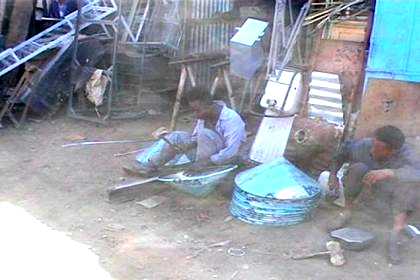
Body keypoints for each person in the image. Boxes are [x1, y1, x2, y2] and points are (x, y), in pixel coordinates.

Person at [326, 125, 420, 264]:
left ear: (393, 151)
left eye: (378, 147)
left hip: (392, 193)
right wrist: (333, 174)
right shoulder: (364, 145)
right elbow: (341, 153)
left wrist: (390, 172)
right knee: (357, 168)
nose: (372, 149)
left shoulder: (407, 153)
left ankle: (396, 232)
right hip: (368, 187)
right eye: (373, 144)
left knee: (409, 184)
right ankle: (347, 212)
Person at [123, 87, 247, 176]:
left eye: (198, 111)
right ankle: (150, 166)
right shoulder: (205, 116)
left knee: (205, 133)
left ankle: (202, 170)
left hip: (223, 158)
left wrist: (204, 163)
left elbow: (231, 151)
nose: (196, 115)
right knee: (176, 136)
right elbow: (196, 139)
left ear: (209, 106)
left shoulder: (231, 119)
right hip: (206, 149)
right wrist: (185, 146)